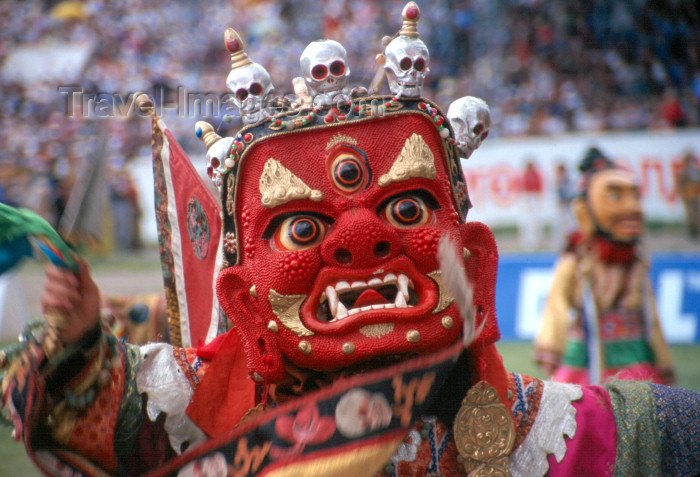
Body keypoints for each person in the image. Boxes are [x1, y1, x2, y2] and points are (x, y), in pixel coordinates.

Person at [2, 4, 699, 477]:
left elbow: (630, 437)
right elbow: (120, 404)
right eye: (304, 227)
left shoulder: (528, 432)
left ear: (476, 260)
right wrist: (83, 341)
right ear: (244, 302)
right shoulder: (214, 402)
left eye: (403, 210)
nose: (362, 238)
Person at [534, 147, 676, 386]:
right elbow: (557, 302)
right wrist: (551, 346)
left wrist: (662, 358)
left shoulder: (634, 257)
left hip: (634, 350)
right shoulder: (578, 255)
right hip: (587, 351)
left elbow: (650, 313)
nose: (632, 208)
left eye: (634, 196)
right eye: (615, 197)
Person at [518, 159, 544, 251]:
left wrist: (539, 199)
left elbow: (539, 187)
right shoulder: (524, 175)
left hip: (534, 197)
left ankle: (536, 242)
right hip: (527, 197)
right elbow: (522, 188)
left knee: (535, 221)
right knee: (527, 222)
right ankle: (527, 242)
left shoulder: (536, 174)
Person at [675, 149, 700, 239]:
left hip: (695, 195)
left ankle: (697, 230)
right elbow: (681, 184)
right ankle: (692, 231)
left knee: (696, 213)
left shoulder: (695, 170)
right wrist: (683, 194)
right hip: (687, 196)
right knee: (690, 214)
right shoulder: (684, 172)